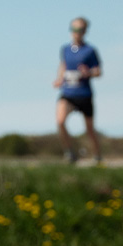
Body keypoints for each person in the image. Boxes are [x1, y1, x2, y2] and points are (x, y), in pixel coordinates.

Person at [52, 17, 103, 165]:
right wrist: (59, 79)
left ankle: (97, 156)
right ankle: (70, 152)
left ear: (85, 31)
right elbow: (63, 65)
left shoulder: (90, 51)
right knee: (60, 121)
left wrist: (89, 72)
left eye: (79, 30)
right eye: (73, 29)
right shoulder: (65, 49)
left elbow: (98, 71)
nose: (76, 32)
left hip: (84, 94)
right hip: (68, 93)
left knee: (89, 130)